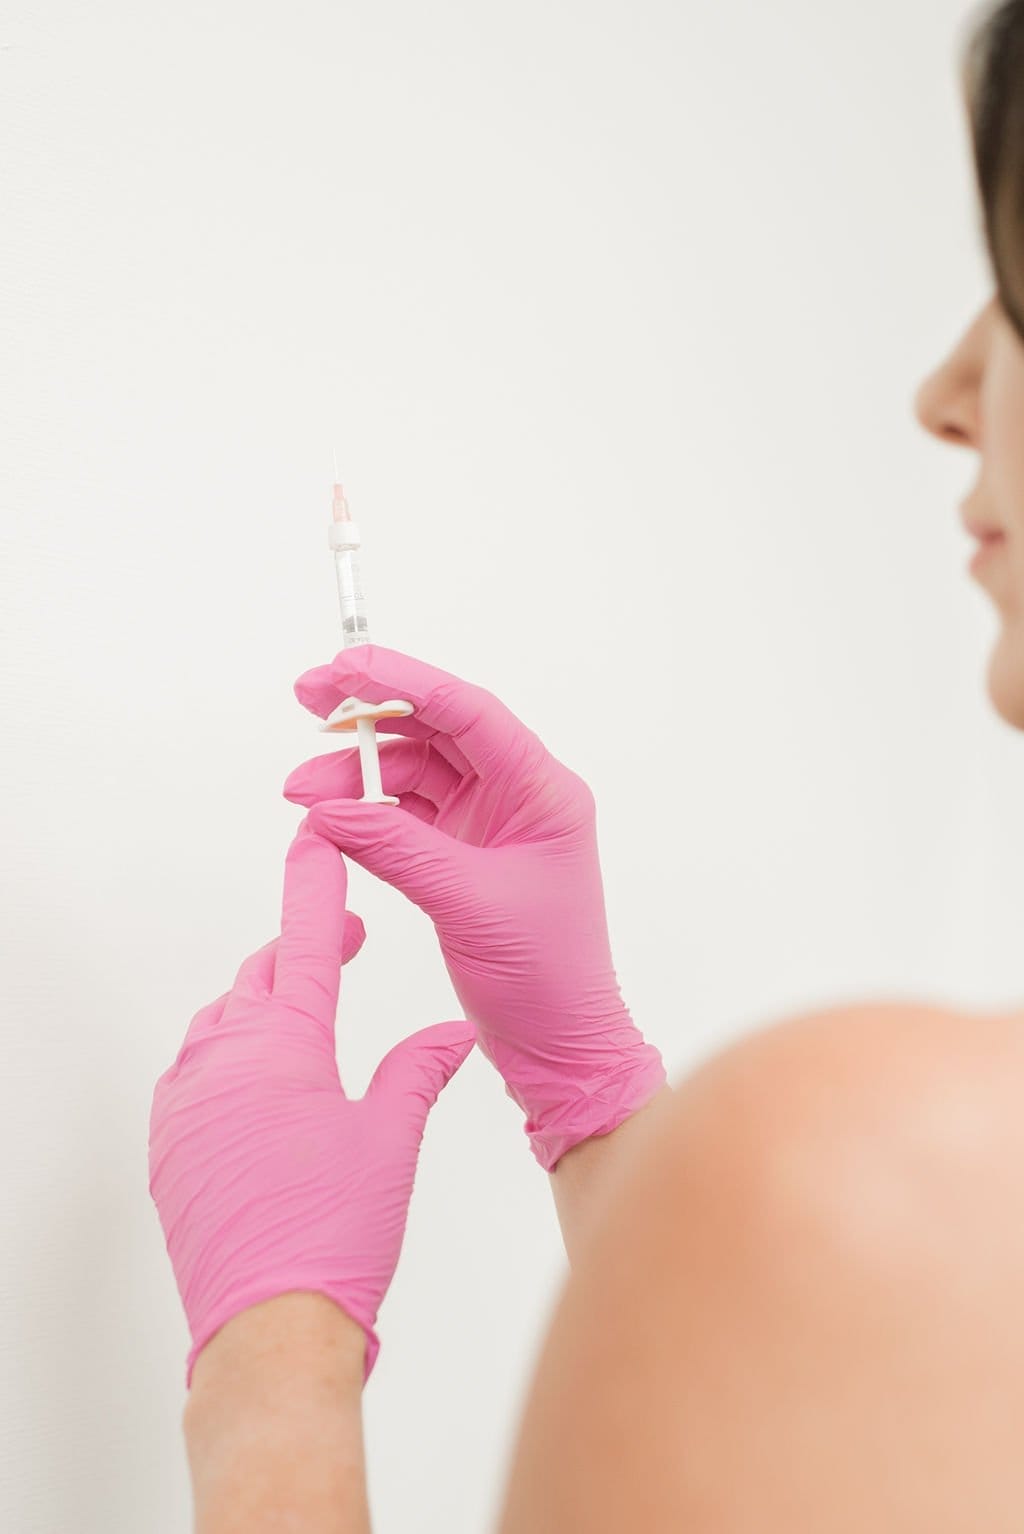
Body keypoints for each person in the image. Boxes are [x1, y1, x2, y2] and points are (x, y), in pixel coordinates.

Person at [149, 2, 1024, 1527]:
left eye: (1011, 290)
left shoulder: (897, 1168)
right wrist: (591, 1087)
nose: (943, 392)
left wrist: (271, 1369)